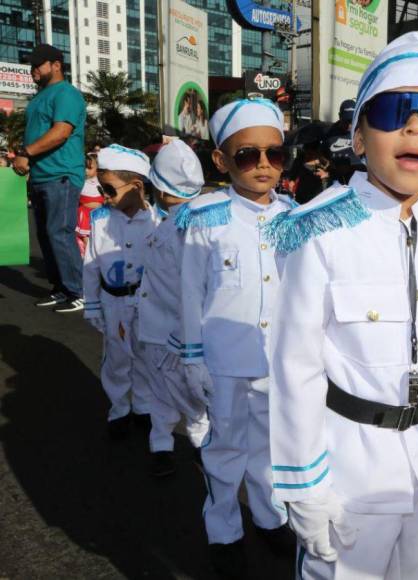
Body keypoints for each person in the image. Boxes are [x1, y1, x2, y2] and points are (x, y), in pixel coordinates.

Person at [267, 31, 418, 579]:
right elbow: (295, 368)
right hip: (350, 472)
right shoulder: (321, 233)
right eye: (394, 110)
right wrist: (305, 487)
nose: (416, 127)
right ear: (357, 137)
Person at [177, 98, 296, 576]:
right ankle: (223, 528)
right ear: (222, 161)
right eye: (248, 154)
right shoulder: (206, 218)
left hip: (278, 360)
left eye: (275, 153)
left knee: (271, 448)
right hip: (224, 360)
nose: (264, 164)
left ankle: (269, 518)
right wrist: (193, 357)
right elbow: (190, 293)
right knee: (225, 451)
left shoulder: (296, 216)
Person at [136, 140, 210, 478]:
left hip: (174, 333)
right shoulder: (182, 221)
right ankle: (165, 445)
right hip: (160, 327)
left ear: (161, 190)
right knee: (165, 392)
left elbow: (192, 290)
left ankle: (199, 447)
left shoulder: (184, 229)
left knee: (186, 397)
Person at [83, 145, 159, 439]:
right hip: (112, 301)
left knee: (143, 356)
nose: (104, 197)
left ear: (137, 186)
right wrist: (91, 304)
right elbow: (91, 264)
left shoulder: (157, 221)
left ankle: (142, 406)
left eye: (110, 190)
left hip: (145, 303)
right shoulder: (101, 219)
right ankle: (119, 409)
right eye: (102, 189)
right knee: (115, 359)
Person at [14, 44, 87, 312]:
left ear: (56, 64)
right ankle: (61, 288)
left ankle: (78, 291)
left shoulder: (66, 93)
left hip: (62, 174)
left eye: (38, 64)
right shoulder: (40, 98)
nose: (33, 70)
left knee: (60, 232)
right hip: (42, 175)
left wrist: (26, 153)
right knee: (46, 235)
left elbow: (61, 132)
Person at [75, 154, 103, 257]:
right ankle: (90, 257)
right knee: (86, 239)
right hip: (84, 215)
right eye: (84, 168)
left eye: (89, 168)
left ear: (97, 168)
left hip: (99, 216)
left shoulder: (102, 183)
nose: (86, 171)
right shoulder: (80, 182)